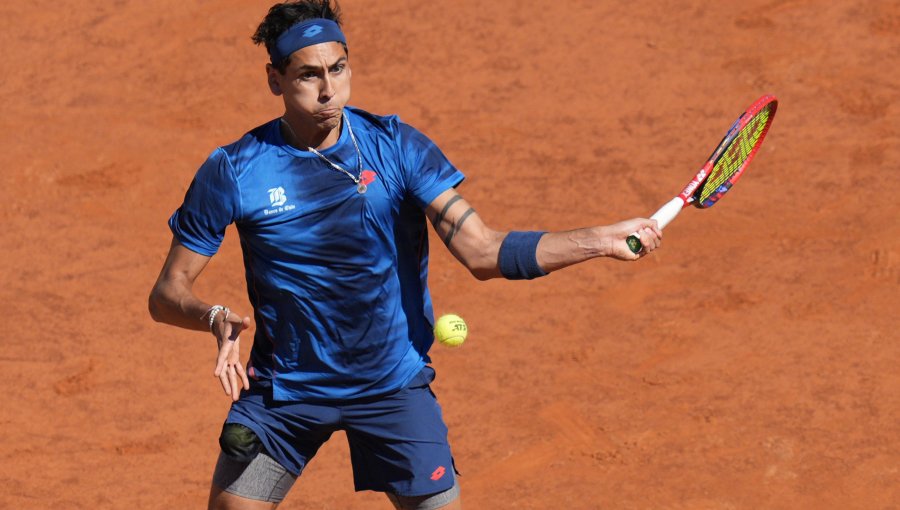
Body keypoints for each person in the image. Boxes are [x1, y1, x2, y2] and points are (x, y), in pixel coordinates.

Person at [148, 1, 662, 509]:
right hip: (286, 393)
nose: (329, 90)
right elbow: (167, 293)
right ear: (274, 80)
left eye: (338, 69)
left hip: (391, 386)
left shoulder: (396, 147)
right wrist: (212, 316)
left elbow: (483, 251)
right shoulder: (236, 170)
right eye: (308, 75)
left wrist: (601, 239)